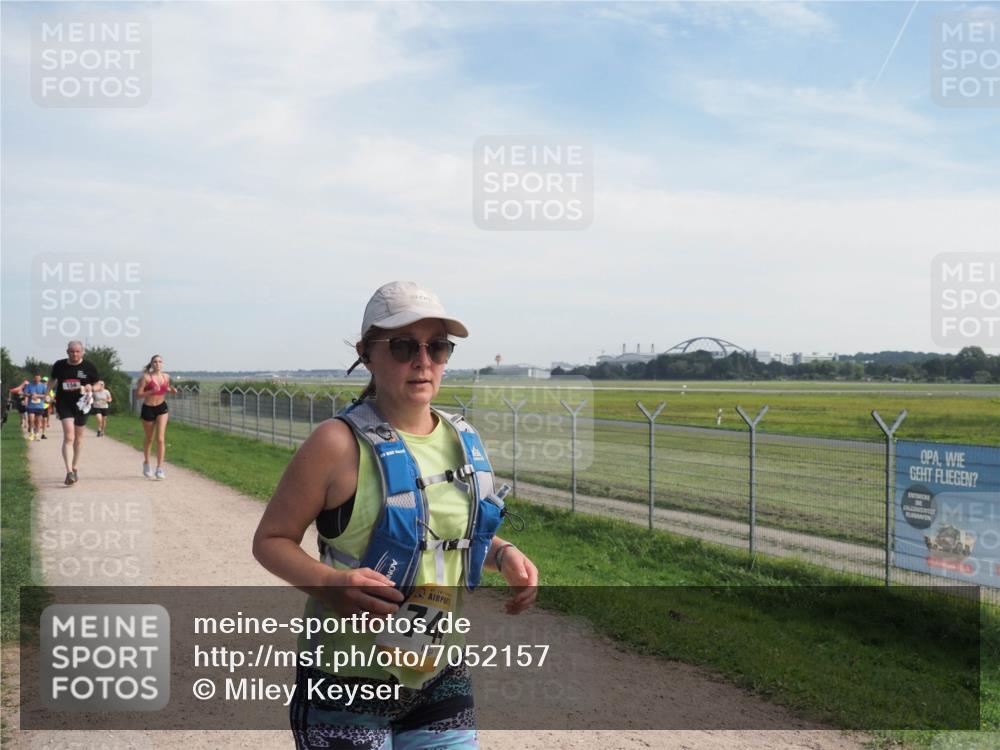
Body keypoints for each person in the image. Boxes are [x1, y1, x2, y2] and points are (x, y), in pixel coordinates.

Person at [253, 281, 538, 750]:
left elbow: (454, 534)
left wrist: (502, 553)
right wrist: (329, 584)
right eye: (403, 346)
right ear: (367, 353)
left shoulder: (463, 439)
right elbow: (271, 540)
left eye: (438, 347)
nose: (423, 360)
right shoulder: (335, 443)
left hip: (440, 675)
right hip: (345, 682)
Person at [49, 341, 100, 485]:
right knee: (69, 436)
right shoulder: (59, 365)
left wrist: (91, 387)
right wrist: (48, 393)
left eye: (77, 351)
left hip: (82, 405)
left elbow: (99, 384)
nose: (75, 354)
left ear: (82, 352)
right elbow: (52, 380)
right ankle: (69, 472)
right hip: (64, 404)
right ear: (67, 352)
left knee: (78, 439)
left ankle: (74, 467)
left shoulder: (89, 366)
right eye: (72, 351)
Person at [136, 355, 176, 480]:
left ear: (162, 364)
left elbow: (165, 388)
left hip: (162, 408)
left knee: (160, 439)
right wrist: (150, 391)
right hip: (148, 409)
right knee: (149, 439)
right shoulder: (146, 378)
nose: (157, 364)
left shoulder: (166, 377)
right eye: (155, 362)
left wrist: (171, 390)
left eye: (160, 362)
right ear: (151, 364)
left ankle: (159, 468)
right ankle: (147, 463)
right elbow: (138, 395)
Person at [23, 373, 49, 440]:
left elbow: (45, 395)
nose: (37, 379)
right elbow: (25, 393)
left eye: (38, 378)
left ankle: (37, 434)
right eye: (36, 378)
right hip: (31, 406)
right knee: (31, 420)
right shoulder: (29, 385)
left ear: (40, 379)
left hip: (39, 406)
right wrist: (31, 395)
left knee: (38, 421)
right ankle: (31, 433)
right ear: (34, 378)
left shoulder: (43, 386)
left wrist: (37, 396)